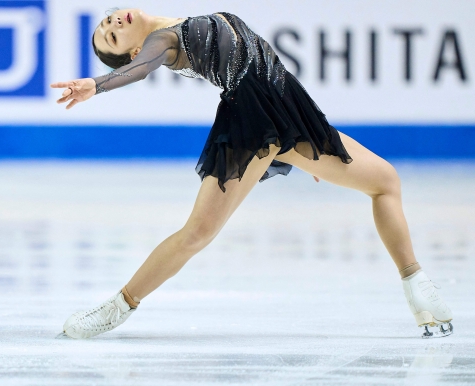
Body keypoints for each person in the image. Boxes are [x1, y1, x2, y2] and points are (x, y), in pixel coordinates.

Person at [51, 9, 453, 339]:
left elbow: (270, 65)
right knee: (198, 233)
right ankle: (116, 308)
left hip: (288, 111)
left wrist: (306, 137)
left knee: (385, 182)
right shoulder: (162, 42)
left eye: (107, 24)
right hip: (253, 121)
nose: (111, 24)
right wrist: (96, 84)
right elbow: (138, 71)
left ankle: (417, 287)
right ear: (136, 49)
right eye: (111, 38)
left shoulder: (174, 26)